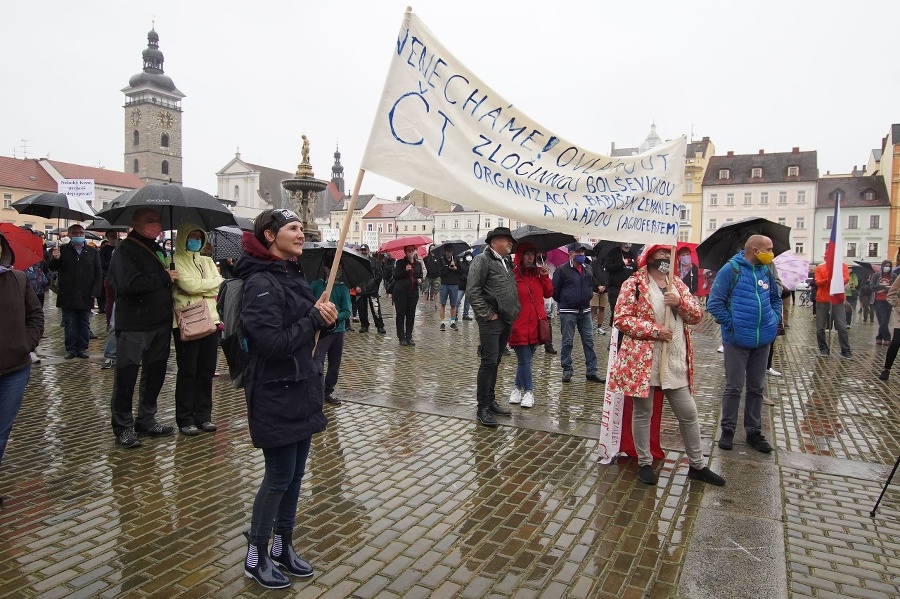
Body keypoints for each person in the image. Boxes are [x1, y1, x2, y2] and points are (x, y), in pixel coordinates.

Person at [233, 208, 337, 589]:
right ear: (268, 236)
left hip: (302, 386)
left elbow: (304, 333)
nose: (300, 234)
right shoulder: (261, 282)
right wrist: (311, 319)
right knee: (277, 477)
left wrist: (325, 317)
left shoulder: (292, 274)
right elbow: (273, 343)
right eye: (292, 229)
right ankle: (255, 555)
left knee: (294, 478)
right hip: (275, 392)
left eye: (299, 228)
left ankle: (282, 545)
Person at [608, 245, 725, 486]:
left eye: (669, 254)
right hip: (643, 361)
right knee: (643, 413)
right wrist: (654, 330)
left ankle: (697, 465)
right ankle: (644, 462)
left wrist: (679, 302)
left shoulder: (677, 284)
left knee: (689, 413)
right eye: (662, 253)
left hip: (674, 359)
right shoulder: (634, 284)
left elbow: (696, 316)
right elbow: (621, 318)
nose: (667, 258)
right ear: (649, 257)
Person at [108, 208, 179, 448]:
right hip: (134, 325)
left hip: (160, 322)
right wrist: (164, 277)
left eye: (157, 220)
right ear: (136, 223)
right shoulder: (125, 250)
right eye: (150, 221)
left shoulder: (158, 248)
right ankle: (123, 426)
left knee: (155, 373)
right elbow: (128, 284)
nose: (156, 225)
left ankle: (147, 418)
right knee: (127, 375)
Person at [706, 235, 782, 454]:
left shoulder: (766, 270)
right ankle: (728, 430)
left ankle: (753, 432)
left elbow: (776, 298)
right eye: (768, 248)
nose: (772, 252)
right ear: (755, 250)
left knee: (757, 388)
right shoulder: (731, 270)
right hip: (737, 341)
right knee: (734, 387)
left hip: (762, 340)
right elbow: (714, 303)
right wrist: (732, 325)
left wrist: (773, 319)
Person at [0, 231, 44, 505]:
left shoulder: (18, 278)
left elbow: (36, 314)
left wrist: (27, 343)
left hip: (15, 368)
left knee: (2, 430)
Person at [171, 222, 224, 436]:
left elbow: (221, 283)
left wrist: (205, 283)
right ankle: (185, 418)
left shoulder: (207, 260)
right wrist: (209, 283)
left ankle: (204, 416)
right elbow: (188, 286)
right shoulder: (174, 260)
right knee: (188, 371)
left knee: (206, 371)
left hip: (210, 321)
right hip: (188, 321)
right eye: (191, 236)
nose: (195, 240)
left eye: (198, 237)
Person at [467, 227, 520, 427]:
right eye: (508, 240)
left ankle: (491, 401)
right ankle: (482, 407)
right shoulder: (482, 260)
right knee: (488, 362)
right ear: (496, 240)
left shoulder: (505, 261)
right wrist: (488, 315)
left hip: (506, 319)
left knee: (496, 362)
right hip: (491, 321)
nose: (511, 244)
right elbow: (472, 291)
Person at [508, 242, 553, 408]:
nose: (530, 257)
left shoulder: (538, 274)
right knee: (524, 359)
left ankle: (516, 388)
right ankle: (528, 391)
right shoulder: (513, 275)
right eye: (527, 254)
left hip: (537, 324)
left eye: (532, 254)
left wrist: (545, 276)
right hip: (519, 324)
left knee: (525, 361)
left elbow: (549, 293)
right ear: (520, 256)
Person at [552, 243, 605, 384]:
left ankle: (591, 371)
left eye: (582, 252)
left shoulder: (588, 268)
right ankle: (567, 370)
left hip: (585, 310)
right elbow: (555, 291)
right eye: (577, 252)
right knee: (567, 341)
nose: (581, 254)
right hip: (568, 311)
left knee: (589, 341)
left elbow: (590, 284)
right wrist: (566, 301)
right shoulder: (562, 270)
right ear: (570, 254)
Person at [48, 223, 102, 359]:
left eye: (81, 233)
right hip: (68, 292)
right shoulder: (63, 250)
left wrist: (96, 290)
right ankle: (71, 349)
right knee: (70, 322)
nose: (78, 236)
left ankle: (82, 348)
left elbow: (98, 272)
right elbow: (53, 268)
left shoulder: (92, 252)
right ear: (70, 235)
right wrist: (55, 259)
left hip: (86, 293)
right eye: (75, 233)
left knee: (84, 322)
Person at [311, 260, 352, 405]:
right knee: (317, 361)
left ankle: (327, 391)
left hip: (338, 331)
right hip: (320, 331)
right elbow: (309, 304)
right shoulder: (316, 285)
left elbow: (347, 312)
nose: (336, 271)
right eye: (334, 268)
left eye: (340, 268)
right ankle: (316, 391)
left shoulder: (342, 289)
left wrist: (332, 317)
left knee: (334, 364)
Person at [814, 252, 850, 358]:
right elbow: (818, 282)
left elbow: (846, 278)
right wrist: (827, 280)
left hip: (837, 300)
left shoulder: (843, 267)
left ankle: (845, 350)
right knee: (820, 327)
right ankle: (823, 348)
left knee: (842, 326)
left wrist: (836, 280)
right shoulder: (820, 268)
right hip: (822, 300)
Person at [392, 245, 424, 346]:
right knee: (401, 314)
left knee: (411, 315)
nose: (410, 252)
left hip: (413, 293)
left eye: (412, 250)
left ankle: (409, 336)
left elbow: (421, 276)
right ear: (405, 252)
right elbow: (395, 276)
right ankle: (401, 337)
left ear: (415, 251)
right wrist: (404, 271)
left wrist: (420, 280)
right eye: (408, 250)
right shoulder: (400, 263)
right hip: (401, 292)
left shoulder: (418, 264)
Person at [605, 242, 638, 325]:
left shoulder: (632, 253)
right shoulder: (613, 252)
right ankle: (614, 333)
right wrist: (622, 263)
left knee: (630, 311)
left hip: (631, 288)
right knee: (616, 312)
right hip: (616, 288)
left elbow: (636, 268)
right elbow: (608, 267)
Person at [355, 244, 385, 334]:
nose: (364, 252)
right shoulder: (357, 262)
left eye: (365, 250)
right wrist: (356, 286)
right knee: (362, 309)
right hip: (360, 290)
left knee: (376, 309)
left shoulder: (374, 261)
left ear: (368, 251)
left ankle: (380, 326)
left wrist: (374, 284)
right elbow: (353, 275)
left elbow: (379, 274)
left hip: (372, 290)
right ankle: (364, 325)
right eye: (362, 250)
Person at [438, 244, 463, 331]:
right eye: (447, 252)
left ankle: (452, 322)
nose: (448, 253)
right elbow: (440, 273)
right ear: (444, 252)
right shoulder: (441, 260)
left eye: (450, 251)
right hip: (444, 284)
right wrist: (449, 268)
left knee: (453, 304)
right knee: (443, 304)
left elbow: (461, 272)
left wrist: (455, 268)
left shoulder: (456, 259)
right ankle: (442, 322)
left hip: (454, 284)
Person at [870, 260, 895, 345]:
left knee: (885, 320)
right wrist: (884, 286)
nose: (887, 267)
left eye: (889, 266)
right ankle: (887, 338)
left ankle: (879, 337)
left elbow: (894, 288)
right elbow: (872, 287)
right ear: (882, 266)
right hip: (878, 300)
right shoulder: (876, 275)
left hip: (888, 300)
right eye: (886, 265)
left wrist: (884, 289)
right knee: (882, 319)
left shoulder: (893, 276)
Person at [590, 255, 609, 335]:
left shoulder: (608, 264)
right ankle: (589, 326)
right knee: (593, 308)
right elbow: (591, 276)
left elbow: (609, 275)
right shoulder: (593, 264)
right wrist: (598, 285)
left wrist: (605, 286)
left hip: (605, 290)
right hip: (595, 289)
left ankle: (599, 327)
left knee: (602, 308)